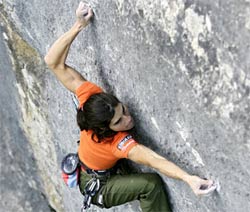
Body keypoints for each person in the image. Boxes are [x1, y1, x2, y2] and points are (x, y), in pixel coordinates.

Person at [44, 2, 216, 211]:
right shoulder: (116, 143)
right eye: (119, 122)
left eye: (122, 110)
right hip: (99, 187)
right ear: (106, 130)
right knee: (150, 185)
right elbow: (153, 159)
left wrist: (79, 24)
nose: (128, 119)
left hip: (97, 166)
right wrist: (188, 179)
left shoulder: (90, 96)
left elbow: (53, 62)